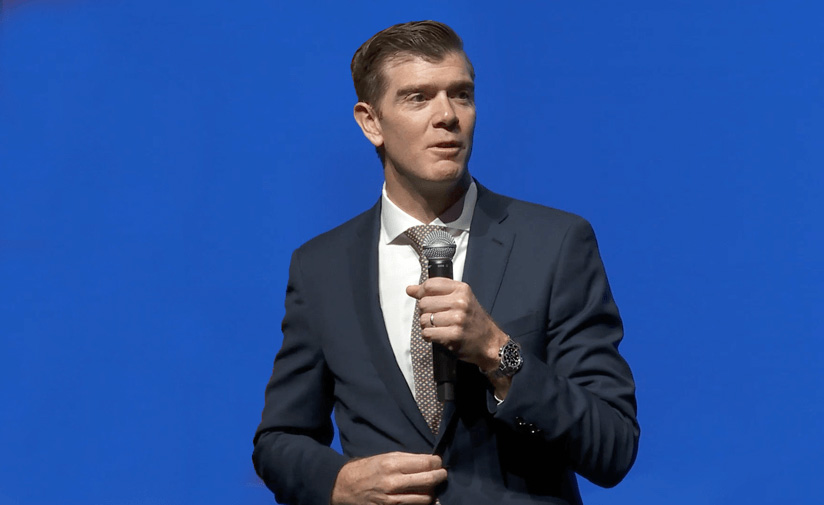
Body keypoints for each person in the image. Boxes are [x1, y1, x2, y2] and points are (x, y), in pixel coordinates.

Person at [253, 20, 639, 505]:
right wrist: (337, 483)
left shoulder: (556, 243)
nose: (447, 116)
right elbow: (279, 440)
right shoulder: (320, 266)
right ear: (370, 122)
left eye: (461, 95)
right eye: (418, 98)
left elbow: (614, 447)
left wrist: (499, 353)